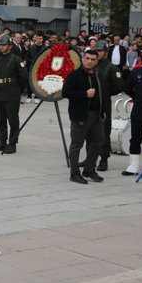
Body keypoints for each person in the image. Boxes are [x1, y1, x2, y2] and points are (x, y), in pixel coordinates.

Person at [63, 49, 105, 184]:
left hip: (96, 115)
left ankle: (89, 169)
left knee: (99, 141)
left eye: (92, 59)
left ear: (96, 61)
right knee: (77, 144)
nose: (89, 61)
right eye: (87, 58)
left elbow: (101, 94)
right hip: (80, 115)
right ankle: (74, 173)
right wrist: (84, 94)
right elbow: (65, 92)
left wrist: (102, 110)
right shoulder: (74, 75)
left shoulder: (98, 74)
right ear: (83, 59)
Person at [86, 40, 125, 171]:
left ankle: (103, 159)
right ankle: (89, 159)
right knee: (88, 132)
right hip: (91, 102)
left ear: (106, 53)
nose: (97, 53)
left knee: (104, 132)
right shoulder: (91, 65)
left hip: (104, 104)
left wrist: (105, 93)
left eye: (99, 51)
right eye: (96, 51)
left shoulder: (112, 68)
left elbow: (119, 86)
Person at [0, 35, 28, 154]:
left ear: (10, 46)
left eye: (4, 45)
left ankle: (12, 143)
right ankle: (2, 141)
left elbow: (23, 76)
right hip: (0, 93)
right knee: (0, 120)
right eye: (0, 45)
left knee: (13, 120)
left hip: (12, 94)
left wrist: (14, 86)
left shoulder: (16, 60)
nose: (1, 47)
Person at [122, 50, 142, 178]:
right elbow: (127, 87)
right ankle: (133, 166)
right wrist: (137, 97)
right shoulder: (137, 72)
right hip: (139, 111)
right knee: (135, 138)